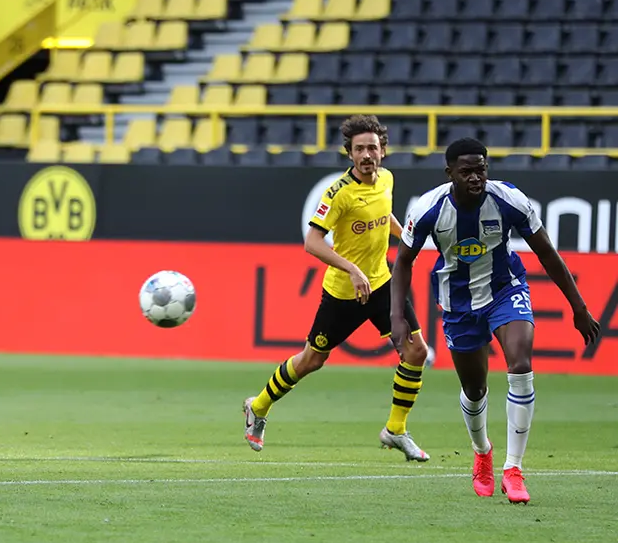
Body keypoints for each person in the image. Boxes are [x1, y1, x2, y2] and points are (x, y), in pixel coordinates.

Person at [391, 137, 600, 504]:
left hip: (505, 289)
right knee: (475, 389)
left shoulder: (508, 200)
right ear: (450, 173)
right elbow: (404, 261)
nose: (476, 177)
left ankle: (513, 469)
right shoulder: (428, 209)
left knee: (520, 364)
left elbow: (546, 252)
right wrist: (397, 316)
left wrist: (578, 307)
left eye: (481, 169)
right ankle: (482, 452)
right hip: (458, 303)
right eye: (467, 171)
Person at [243, 115, 431, 461]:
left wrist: (408, 239)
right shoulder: (338, 193)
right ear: (350, 154)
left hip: (382, 284)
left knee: (416, 351)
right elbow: (312, 242)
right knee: (312, 360)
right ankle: (258, 406)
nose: (366, 155)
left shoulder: (387, 179)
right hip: (344, 293)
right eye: (359, 149)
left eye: (372, 148)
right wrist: (352, 269)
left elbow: (384, 217)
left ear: (383, 151)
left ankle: (395, 429)